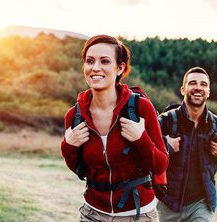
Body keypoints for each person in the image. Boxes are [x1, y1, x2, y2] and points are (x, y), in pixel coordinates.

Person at [61, 34, 169, 222]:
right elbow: (80, 170)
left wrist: (141, 139)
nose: (95, 68)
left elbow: (161, 165)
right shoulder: (75, 115)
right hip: (92, 213)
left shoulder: (141, 108)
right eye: (89, 61)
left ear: (120, 68)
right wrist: (68, 146)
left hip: (139, 214)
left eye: (104, 61)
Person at [157, 67, 217, 222]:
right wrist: (166, 145)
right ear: (183, 89)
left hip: (201, 204)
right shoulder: (166, 121)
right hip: (167, 202)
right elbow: (146, 150)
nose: (198, 87)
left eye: (203, 84)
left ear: (209, 91)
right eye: (193, 83)